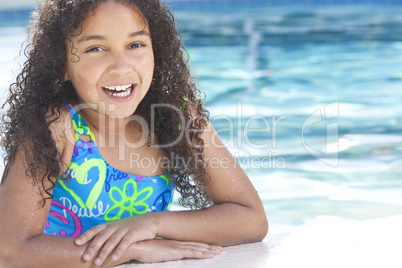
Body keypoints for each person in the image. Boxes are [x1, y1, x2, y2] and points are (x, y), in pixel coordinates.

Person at [0, 0, 268, 267]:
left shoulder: (177, 118)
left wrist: (152, 224)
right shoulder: (58, 127)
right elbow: (9, 250)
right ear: (62, 64)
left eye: (135, 45)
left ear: (156, 51)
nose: (121, 66)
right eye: (96, 48)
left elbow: (251, 219)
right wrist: (132, 250)